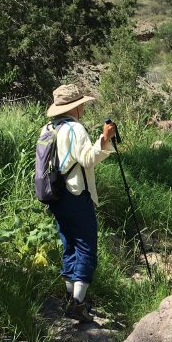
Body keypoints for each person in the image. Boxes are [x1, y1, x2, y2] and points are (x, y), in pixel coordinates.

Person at [43, 83, 116, 322]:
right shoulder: (75, 129)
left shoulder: (48, 128)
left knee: (69, 242)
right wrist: (105, 139)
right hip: (76, 193)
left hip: (55, 194)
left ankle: (69, 297)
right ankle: (78, 304)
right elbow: (87, 159)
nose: (83, 106)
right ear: (74, 107)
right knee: (86, 245)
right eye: (81, 103)